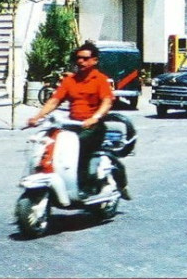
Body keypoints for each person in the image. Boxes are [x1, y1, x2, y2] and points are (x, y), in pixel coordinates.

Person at [26, 41, 119, 197]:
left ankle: (84, 186)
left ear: (94, 61)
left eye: (85, 58)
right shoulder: (70, 80)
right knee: (49, 144)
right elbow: (54, 100)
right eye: (78, 58)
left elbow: (107, 102)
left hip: (93, 127)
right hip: (73, 125)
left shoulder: (100, 80)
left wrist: (95, 118)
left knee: (77, 149)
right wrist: (37, 117)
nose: (80, 61)